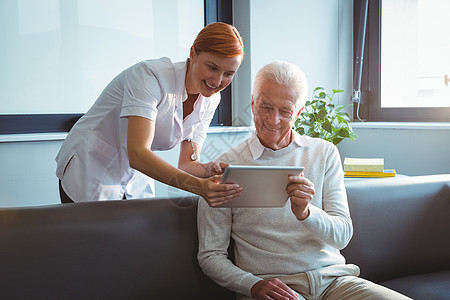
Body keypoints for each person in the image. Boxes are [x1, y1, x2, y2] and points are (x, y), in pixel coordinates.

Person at [197, 61, 411, 300]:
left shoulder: (324, 153)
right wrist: (252, 285)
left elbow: (342, 235)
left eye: (285, 111)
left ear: (298, 112)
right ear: (253, 104)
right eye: (266, 107)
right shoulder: (224, 166)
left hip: (334, 281)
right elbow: (210, 256)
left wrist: (307, 213)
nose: (273, 119)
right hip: (275, 288)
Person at [55, 22, 244, 204]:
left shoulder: (211, 99)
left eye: (228, 74)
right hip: (90, 165)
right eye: (212, 67)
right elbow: (138, 154)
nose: (218, 80)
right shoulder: (150, 76)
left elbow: (187, 164)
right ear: (193, 54)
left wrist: (208, 169)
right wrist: (199, 188)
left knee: (134, 234)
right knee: (92, 235)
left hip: (134, 174)